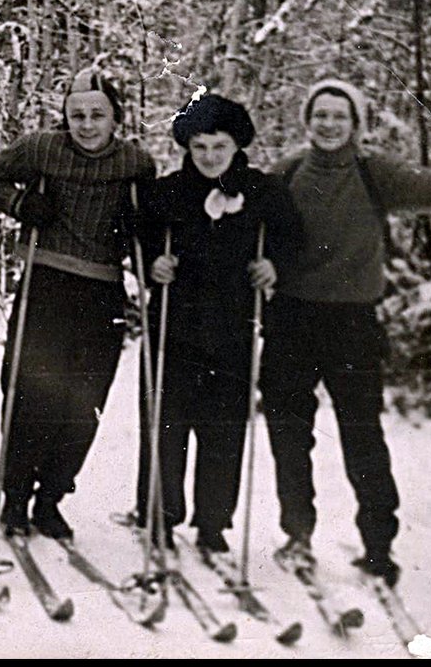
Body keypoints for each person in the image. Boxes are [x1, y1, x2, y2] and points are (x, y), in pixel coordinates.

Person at [261, 77, 431, 586]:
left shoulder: (373, 172)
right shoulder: (286, 173)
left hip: (352, 322)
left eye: (339, 116)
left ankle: (377, 546)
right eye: (319, 114)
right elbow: (244, 216)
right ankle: (297, 534)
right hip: (290, 318)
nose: (328, 124)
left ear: (355, 123)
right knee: (288, 431)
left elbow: (423, 184)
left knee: (362, 433)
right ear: (307, 120)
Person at [0, 67, 157, 540]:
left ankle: (51, 497)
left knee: (84, 402)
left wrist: (138, 227)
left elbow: (150, 213)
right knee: (29, 390)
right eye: (77, 114)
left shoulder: (136, 164)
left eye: (97, 115)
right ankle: (16, 496)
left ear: (115, 118)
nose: (86, 124)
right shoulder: (41, 148)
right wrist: (21, 204)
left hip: (102, 288)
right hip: (46, 279)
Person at [128, 93, 302, 553]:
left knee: (223, 424)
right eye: (200, 146)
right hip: (173, 323)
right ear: (187, 146)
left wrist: (274, 268)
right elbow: (137, 240)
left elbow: (292, 241)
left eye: (218, 147)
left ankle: (213, 522)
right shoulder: (164, 193)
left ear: (236, 146)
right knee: (166, 420)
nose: (208, 156)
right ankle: (159, 514)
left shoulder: (263, 192)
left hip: (233, 324)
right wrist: (152, 265)